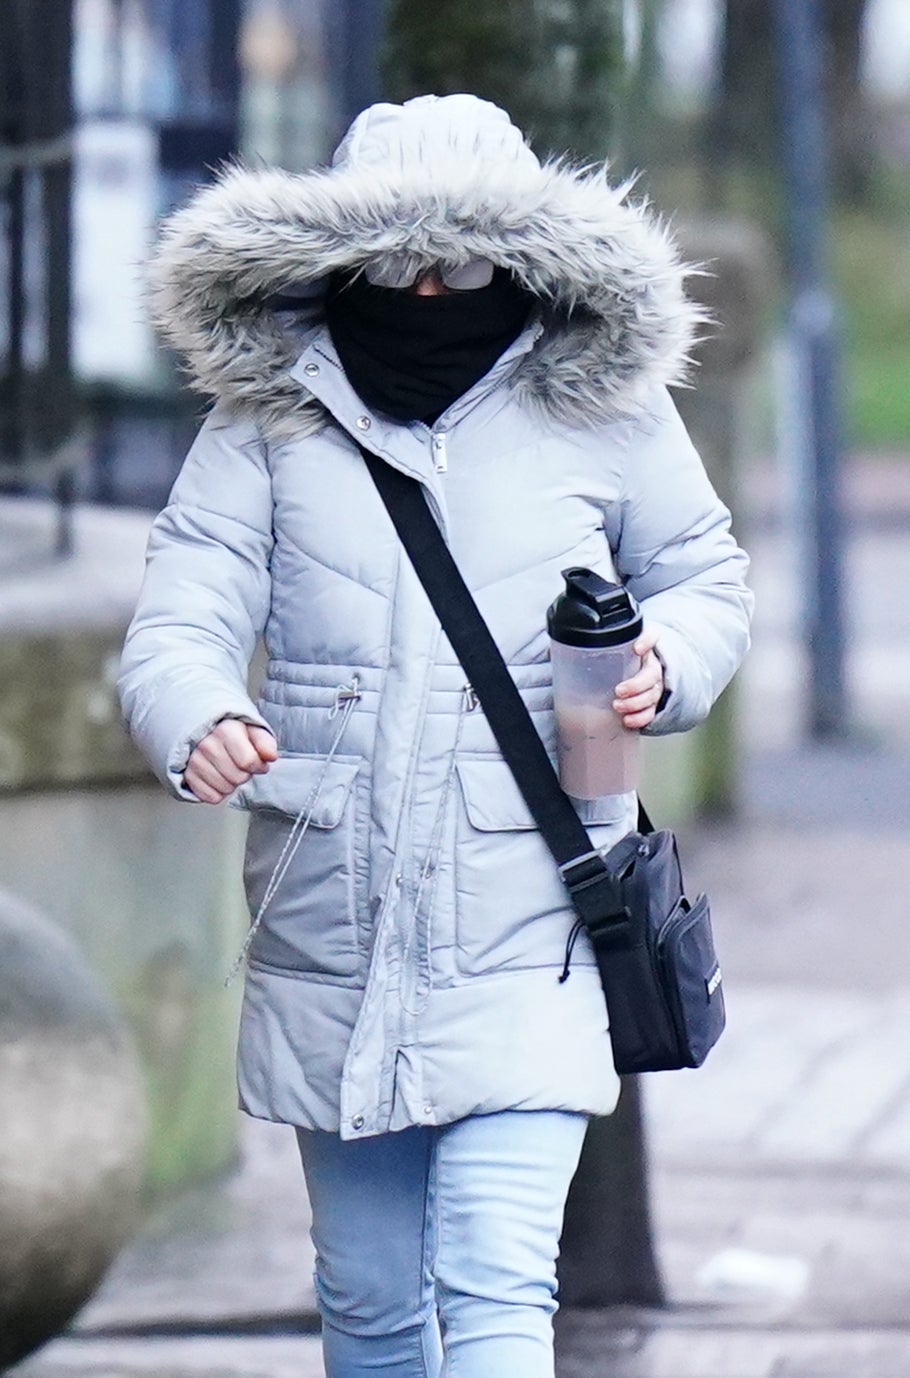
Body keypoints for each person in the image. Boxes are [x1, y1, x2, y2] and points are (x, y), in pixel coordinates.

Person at [119, 93, 753, 1378]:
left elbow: (706, 575)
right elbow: (180, 614)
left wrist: (664, 661)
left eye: (458, 257)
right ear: (336, 256)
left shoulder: (606, 408)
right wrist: (203, 717)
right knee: (363, 1300)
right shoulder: (267, 418)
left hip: (539, 915)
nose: (424, 282)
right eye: (393, 254)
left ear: (516, 256)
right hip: (331, 927)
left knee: (496, 1276)